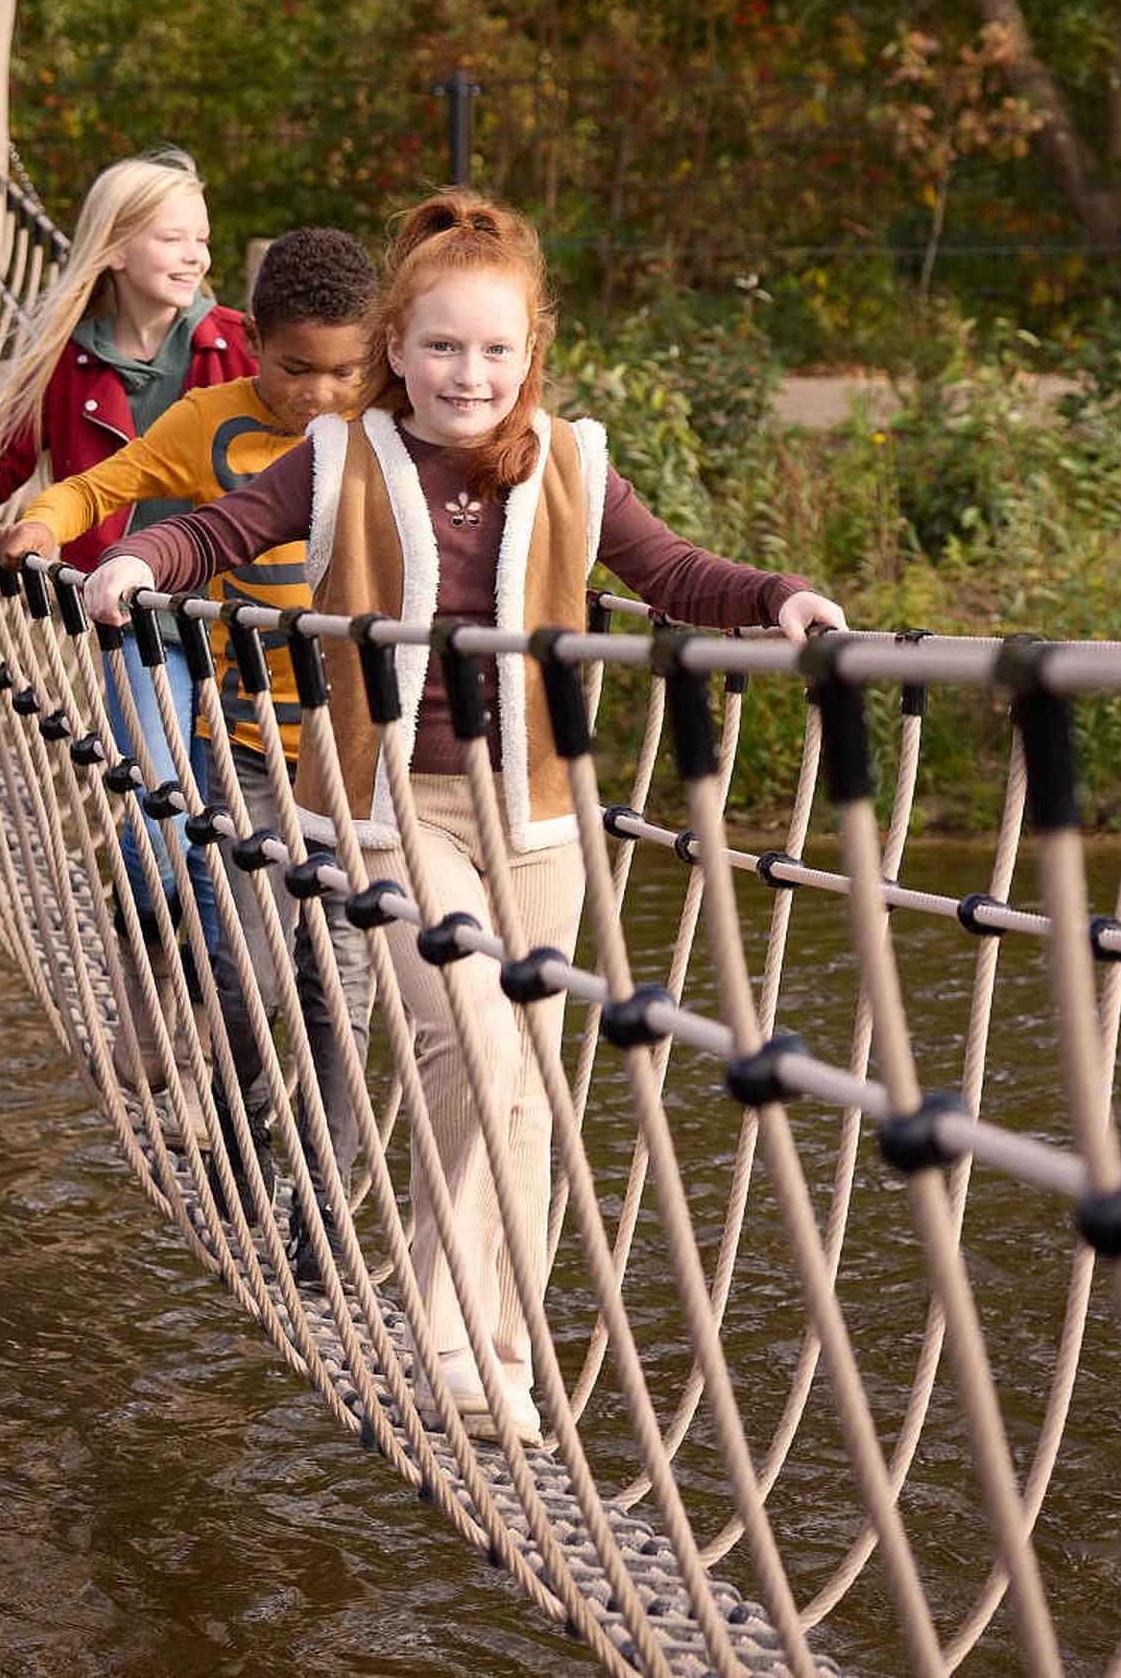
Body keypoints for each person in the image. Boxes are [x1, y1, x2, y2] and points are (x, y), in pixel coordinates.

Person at [83, 190, 845, 1438]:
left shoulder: (575, 463)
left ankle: (503, 1350)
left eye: (496, 350)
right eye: (440, 346)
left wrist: (781, 600)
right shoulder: (338, 460)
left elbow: (671, 572)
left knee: (535, 1083)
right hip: (392, 810)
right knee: (468, 1044)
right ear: (394, 348)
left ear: (531, 353)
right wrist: (134, 562)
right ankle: (438, 1347)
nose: (467, 373)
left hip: (539, 813)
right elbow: (217, 534)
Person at [4, 226, 387, 1208]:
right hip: (249, 750)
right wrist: (45, 524)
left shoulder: (392, 426)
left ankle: (323, 1198)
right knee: (245, 973)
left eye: (346, 371)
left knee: (340, 983)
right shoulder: (210, 421)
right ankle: (243, 1122)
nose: (321, 394)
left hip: (361, 761)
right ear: (252, 340)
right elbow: (107, 485)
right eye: (297, 368)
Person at [0, 150, 258, 1068]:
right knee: (159, 812)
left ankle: (228, 1020)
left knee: (232, 823)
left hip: (246, 617)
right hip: (129, 616)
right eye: (173, 237)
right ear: (115, 248)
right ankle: (161, 978)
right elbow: (7, 447)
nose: (195, 256)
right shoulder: (70, 355)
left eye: (204, 239)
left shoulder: (240, 342)